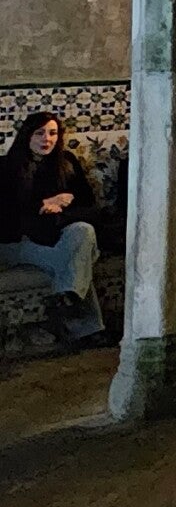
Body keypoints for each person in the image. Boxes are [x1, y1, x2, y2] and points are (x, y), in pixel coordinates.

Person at [0, 109, 110, 347]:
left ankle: (66, 299)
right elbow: (7, 220)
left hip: (58, 234)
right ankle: (85, 325)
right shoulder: (7, 167)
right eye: (40, 133)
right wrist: (44, 205)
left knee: (84, 231)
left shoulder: (67, 163)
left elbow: (90, 208)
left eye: (52, 133)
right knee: (76, 259)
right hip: (19, 242)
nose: (47, 139)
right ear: (27, 135)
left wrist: (60, 213)